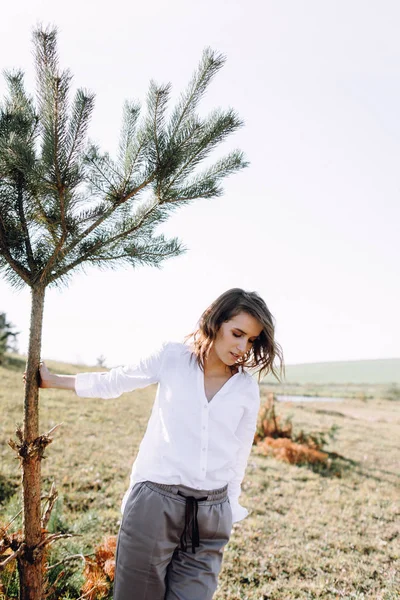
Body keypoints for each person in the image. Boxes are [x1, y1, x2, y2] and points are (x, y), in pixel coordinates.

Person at [32, 288, 283, 600]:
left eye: (251, 340)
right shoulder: (172, 358)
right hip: (156, 503)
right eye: (237, 333)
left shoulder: (246, 388)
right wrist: (54, 380)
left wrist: (229, 507)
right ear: (216, 321)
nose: (242, 347)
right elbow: (116, 381)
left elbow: (240, 451)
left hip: (211, 514)